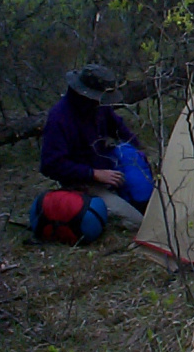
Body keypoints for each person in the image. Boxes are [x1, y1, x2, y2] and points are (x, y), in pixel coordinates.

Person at [40, 64, 146, 230]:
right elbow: (50, 165)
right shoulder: (59, 118)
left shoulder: (99, 107)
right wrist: (93, 174)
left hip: (110, 167)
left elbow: (118, 127)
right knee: (138, 222)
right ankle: (97, 212)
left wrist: (138, 150)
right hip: (83, 183)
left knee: (147, 198)